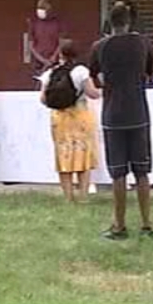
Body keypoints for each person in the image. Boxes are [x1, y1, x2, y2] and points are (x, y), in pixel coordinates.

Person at [89, 3, 153, 240]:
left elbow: (95, 75)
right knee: (142, 171)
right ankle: (147, 224)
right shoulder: (143, 43)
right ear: (129, 22)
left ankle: (119, 225)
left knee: (118, 173)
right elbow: (149, 73)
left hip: (112, 115)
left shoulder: (100, 47)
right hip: (138, 113)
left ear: (111, 22)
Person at [40, 38, 102, 203]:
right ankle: (83, 196)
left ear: (60, 54)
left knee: (64, 156)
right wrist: (102, 91)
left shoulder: (50, 72)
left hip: (59, 118)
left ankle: (68, 197)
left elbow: (43, 99)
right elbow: (92, 93)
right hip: (80, 115)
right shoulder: (81, 71)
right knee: (83, 155)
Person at [27, 0, 63, 70]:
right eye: (40, 8)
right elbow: (31, 45)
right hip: (38, 62)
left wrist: (53, 57)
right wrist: (43, 60)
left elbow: (61, 42)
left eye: (44, 8)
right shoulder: (34, 23)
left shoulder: (57, 23)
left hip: (54, 61)